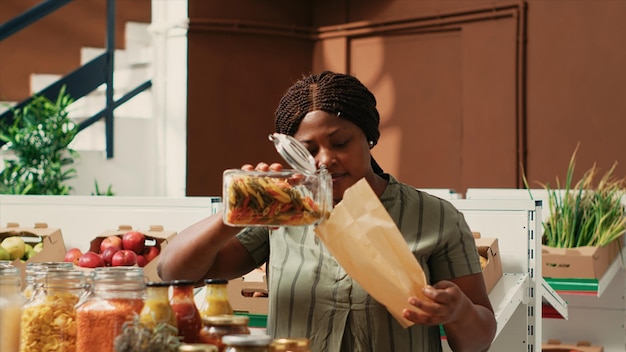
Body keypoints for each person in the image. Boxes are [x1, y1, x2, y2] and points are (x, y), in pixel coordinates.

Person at [158, 71, 496, 351]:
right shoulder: (282, 211)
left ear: (369, 137)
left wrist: (459, 311)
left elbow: (477, 340)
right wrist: (241, 209)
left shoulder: (435, 217)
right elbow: (174, 271)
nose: (324, 160)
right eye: (307, 150)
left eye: (340, 143)